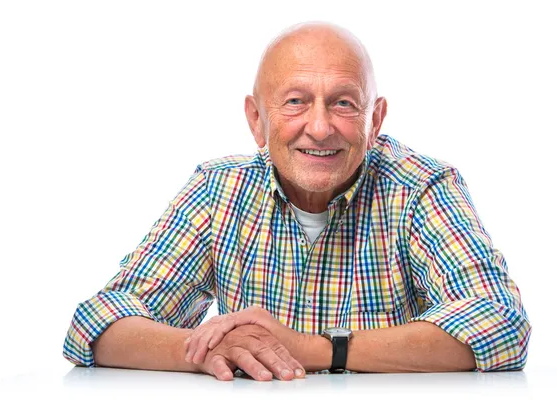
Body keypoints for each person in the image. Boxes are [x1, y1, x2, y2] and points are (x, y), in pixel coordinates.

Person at [63, 22, 531, 381]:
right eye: (295, 101)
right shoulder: (217, 190)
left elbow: (502, 324)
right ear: (256, 120)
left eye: (345, 103)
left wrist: (315, 349)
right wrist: (211, 349)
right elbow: (97, 324)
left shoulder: (422, 186)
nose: (321, 127)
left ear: (376, 118)